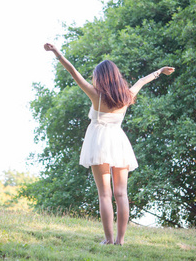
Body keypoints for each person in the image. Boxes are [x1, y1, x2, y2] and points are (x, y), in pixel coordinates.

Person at [43, 43, 175, 245]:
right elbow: (142, 80)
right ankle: (120, 241)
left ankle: (108, 239)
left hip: (99, 143)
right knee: (121, 194)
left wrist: (57, 53)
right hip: (119, 142)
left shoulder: (96, 95)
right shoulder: (127, 96)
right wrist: (161, 71)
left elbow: (73, 72)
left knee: (104, 194)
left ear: (100, 77)